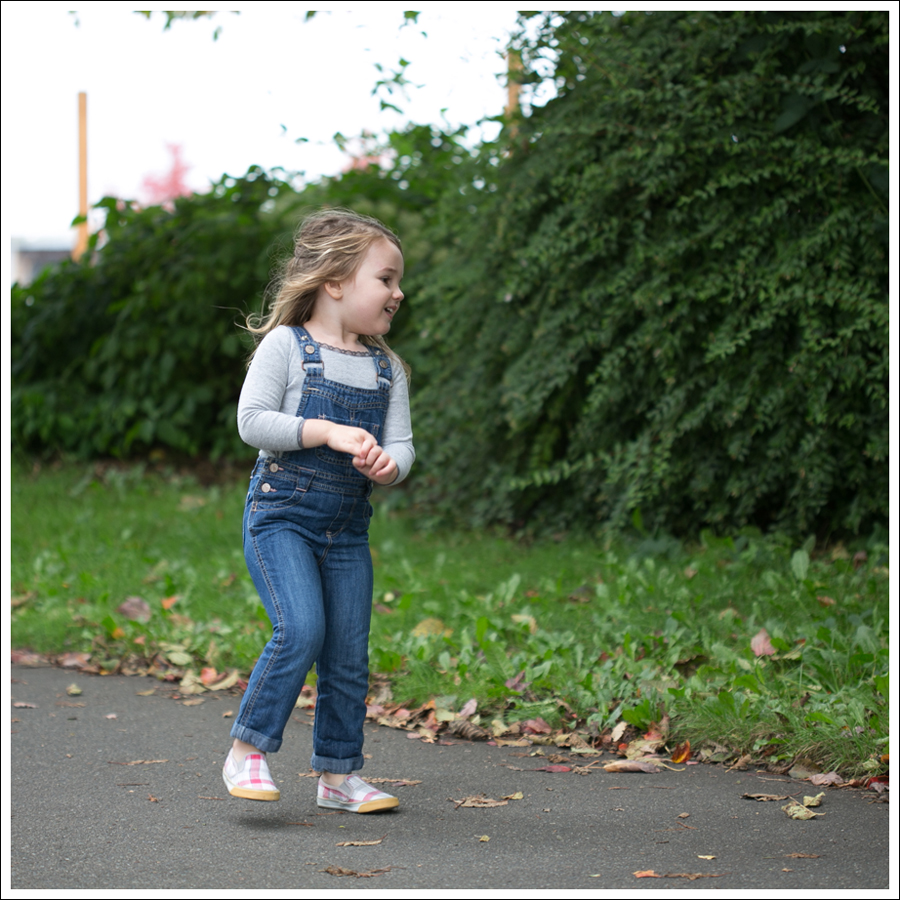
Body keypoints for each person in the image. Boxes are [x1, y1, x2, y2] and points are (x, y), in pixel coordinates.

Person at [222, 208, 414, 813]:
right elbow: (251, 422)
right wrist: (324, 430)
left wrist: (391, 466)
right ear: (335, 282)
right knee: (301, 627)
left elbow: (403, 444)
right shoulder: (287, 345)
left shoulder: (387, 368)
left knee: (348, 654)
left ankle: (338, 776)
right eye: (385, 279)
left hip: (347, 532)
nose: (397, 292)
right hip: (280, 518)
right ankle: (246, 749)